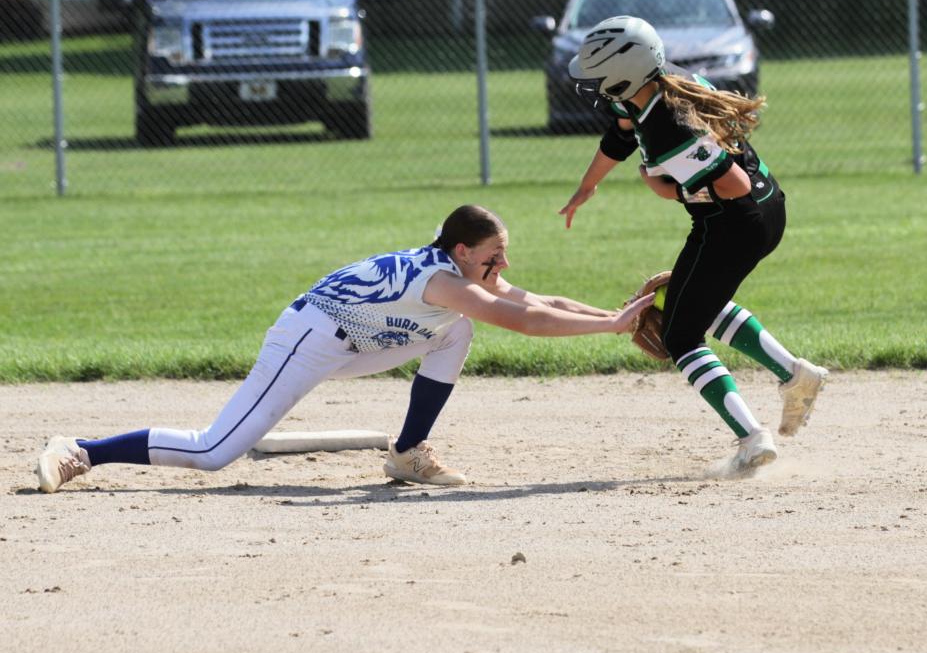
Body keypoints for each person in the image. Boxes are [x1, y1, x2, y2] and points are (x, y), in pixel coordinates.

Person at [36, 204, 652, 493]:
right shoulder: (441, 281)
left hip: (361, 340)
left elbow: (534, 301)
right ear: (463, 251)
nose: (504, 263)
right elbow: (522, 323)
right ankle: (83, 451)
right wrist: (609, 327)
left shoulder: (458, 273)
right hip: (308, 338)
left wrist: (617, 316)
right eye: (494, 253)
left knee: (454, 329)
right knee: (214, 452)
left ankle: (407, 453)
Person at [560, 15, 828, 472]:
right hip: (766, 209)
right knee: (694, 299)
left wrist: (670, 191)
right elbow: (621, 134)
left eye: (600, 75)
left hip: (733, 224)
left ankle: (751, 437)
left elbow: (734, 183)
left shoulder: (670, 126)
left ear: (623, 76)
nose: (594, 85)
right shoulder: (660, 85)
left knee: (680, 333)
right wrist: (587, 187)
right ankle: (794, 376)